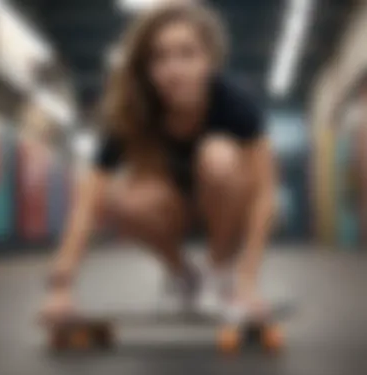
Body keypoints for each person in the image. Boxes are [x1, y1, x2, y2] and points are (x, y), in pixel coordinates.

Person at [41, 3, 277, 322]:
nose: (173, 69)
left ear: (209, 59)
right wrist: (62, 284)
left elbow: (264, 194)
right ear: (146, 68)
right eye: (160, 57)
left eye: (187, 54)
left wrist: (247, 280)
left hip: (225, 205)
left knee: (218, 155)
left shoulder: (235, 104)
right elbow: (88, 201)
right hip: (171, 210)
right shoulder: (132, 111)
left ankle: (220, 273)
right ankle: (184, 276)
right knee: (116, 197)